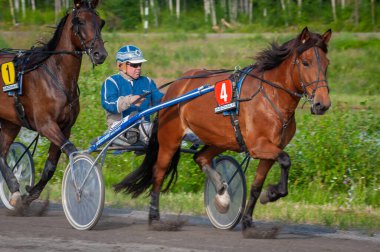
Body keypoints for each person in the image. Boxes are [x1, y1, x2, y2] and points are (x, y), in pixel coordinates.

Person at [101, 45, 163, 146]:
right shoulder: (111, 82)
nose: (138, 68)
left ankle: (194, 139)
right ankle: (132, 130)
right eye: (134, 65)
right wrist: (130, 100)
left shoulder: (147, 82)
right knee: (134, 116)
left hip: (144, 127)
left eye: (140, 64)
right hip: (118, 129)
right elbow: (108, 104)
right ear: (121, 65)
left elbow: (160, 100)